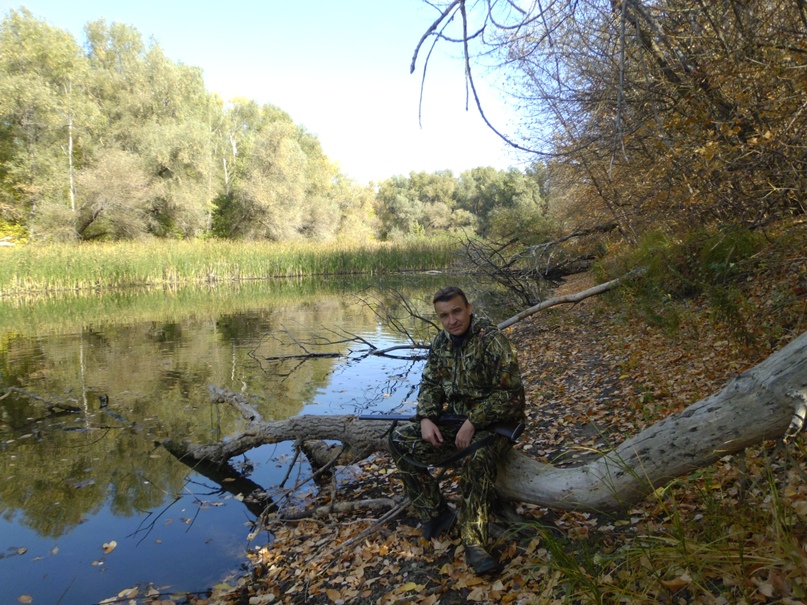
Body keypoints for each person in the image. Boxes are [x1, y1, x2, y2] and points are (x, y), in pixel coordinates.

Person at [389, 286, 526, 575]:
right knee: (400, 439)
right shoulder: (441, 342)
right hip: (454, 421)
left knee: (477, 460)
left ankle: (475, 543)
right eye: (444, 316)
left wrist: (474, 421)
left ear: (468, 308)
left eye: (457, 311)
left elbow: (512, 396)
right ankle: (436, 514)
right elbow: (430, 385)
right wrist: (426, 417)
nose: (452, 320)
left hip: (495, 425)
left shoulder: (492, 340)